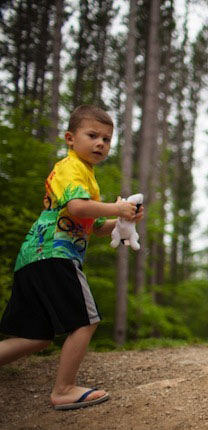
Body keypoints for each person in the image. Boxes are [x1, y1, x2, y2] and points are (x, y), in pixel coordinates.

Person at [0, 105, 143, 410]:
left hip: (34, 257)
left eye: (106, 139)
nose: (100, 143)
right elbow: (78, 208)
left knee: (36, 336)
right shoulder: (70, 167)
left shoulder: (87, 176)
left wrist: (121, 222)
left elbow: (91, 225)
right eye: (92, 135)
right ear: (70, 137)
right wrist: (116, 208)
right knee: (86, 320)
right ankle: (63, 389)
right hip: (55, 254)